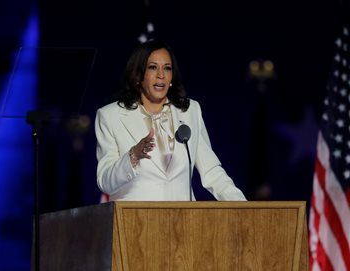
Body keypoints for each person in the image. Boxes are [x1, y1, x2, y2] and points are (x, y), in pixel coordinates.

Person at [95, 40, 246, 201]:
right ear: (139, 75)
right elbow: (105, 181)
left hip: (184, 222)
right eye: (153, 67)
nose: (161, 75)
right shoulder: (110, 116)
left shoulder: (189, 111)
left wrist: (244, 209)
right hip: (135, 222)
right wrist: (133, 156)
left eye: (167, 68)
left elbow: (212, 172)